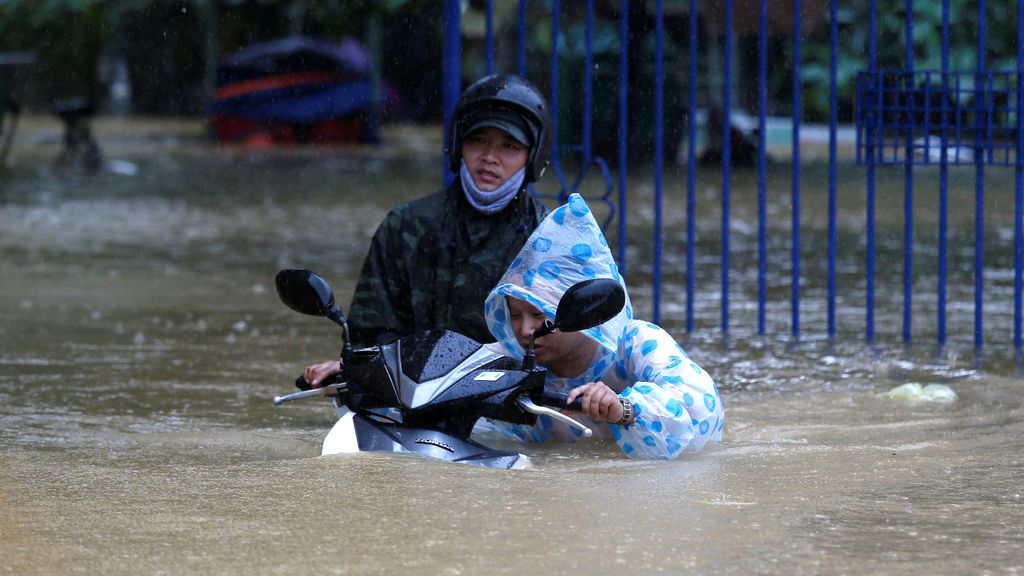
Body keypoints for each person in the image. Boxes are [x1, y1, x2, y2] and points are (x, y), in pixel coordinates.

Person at [304, 73, 552, 387]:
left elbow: (570, 346)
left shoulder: (548, 236)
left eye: (509, 146)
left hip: (509, 395)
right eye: (478, 140)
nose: (490, 157)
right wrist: (355, 367)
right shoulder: (405, 224)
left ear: (532, 156)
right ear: (458, 145)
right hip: (411, 393)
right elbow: (369, 333)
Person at [482, 193, 724, 459]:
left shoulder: (636, 343)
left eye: (539, 314)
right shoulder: (504, 363)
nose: (524, 330)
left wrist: (625, 409)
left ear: (581, 307)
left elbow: (701, 411)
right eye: (515, 315)